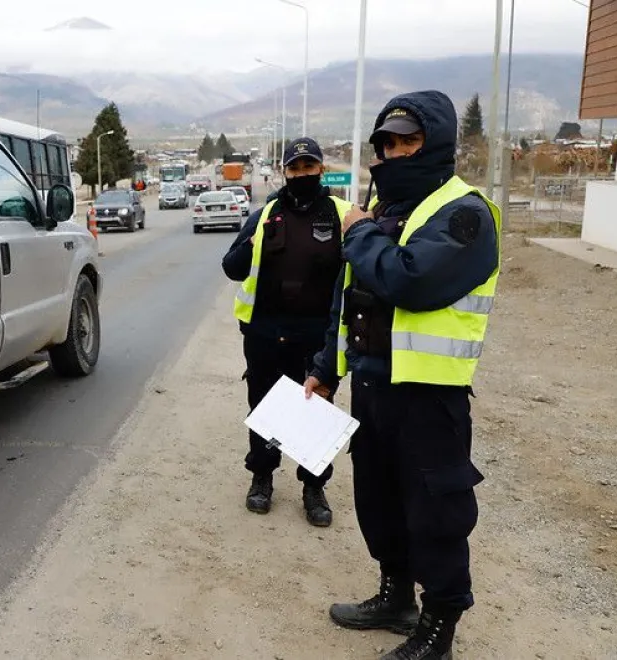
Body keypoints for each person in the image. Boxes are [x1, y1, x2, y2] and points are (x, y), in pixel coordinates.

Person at [304, 90, 501, 659]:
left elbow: (408, 281)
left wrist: (360, 233)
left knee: (435, 511)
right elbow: (352, 298)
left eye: (407, 141)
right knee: (380, 499)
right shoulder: (388, 213)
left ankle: (439, 626)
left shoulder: (463, 213)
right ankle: (395, 595)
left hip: (428, 396)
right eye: (386, 143)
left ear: (435, 144)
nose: (393, 153)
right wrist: (325, 369)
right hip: (371, 386)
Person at [222, 137, 351, 526]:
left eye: (309, 168)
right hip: (265, 333)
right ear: (284, 172)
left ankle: (314, 486)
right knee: (264, 409)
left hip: (319, 338)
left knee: (316, 411)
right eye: (294, 169)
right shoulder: (264, 216)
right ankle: (262, 477)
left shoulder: (343, 215)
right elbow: (232, 267)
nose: (301, 175)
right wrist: (253, 240)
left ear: (321, 170)